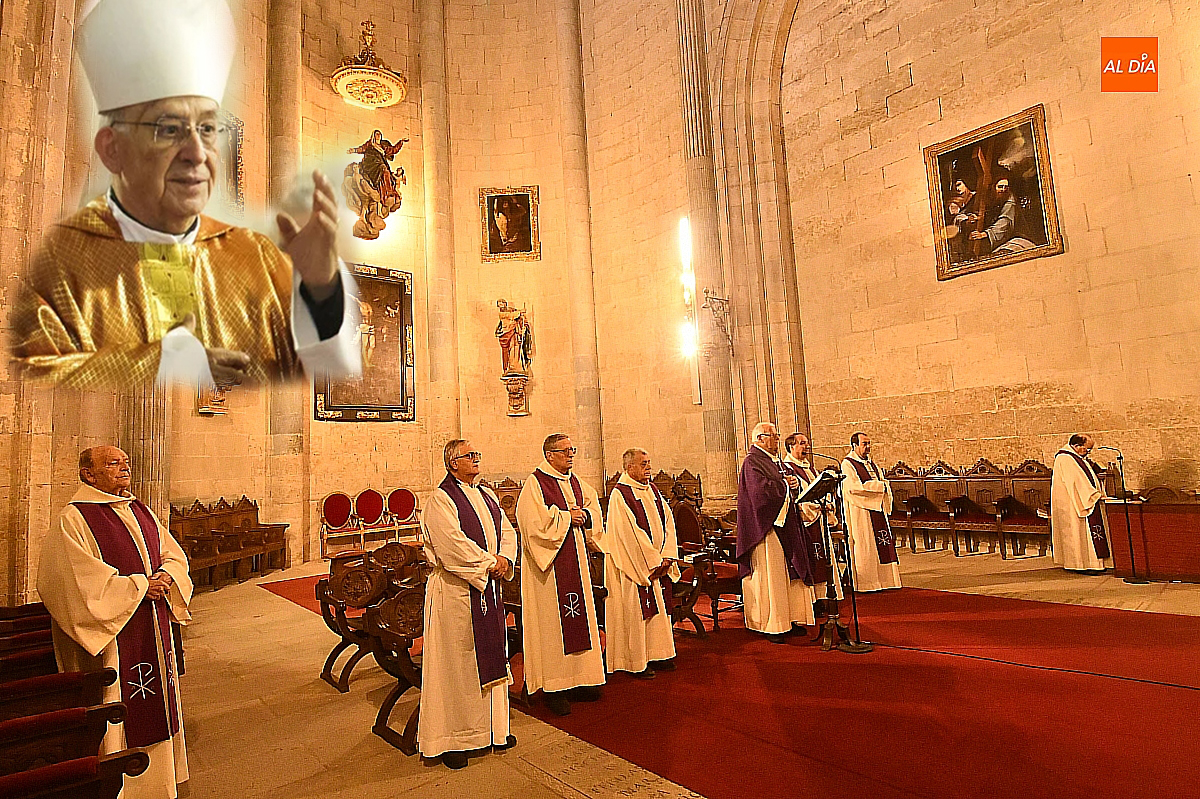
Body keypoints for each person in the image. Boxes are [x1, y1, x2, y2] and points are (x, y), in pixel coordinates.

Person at [10, 0, 360, 388]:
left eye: (207, 129)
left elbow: (323, 369)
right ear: (113, 149)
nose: (197, 154)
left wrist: (320, 286)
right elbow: (33, 364)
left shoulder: (250, 251)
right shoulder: (67, 261)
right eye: (169, 129)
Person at [37, 446, 193, 799]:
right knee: (121, 704)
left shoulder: (138, 509)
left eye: (125, 462)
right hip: (114, 637)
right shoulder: (73, 519)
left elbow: (171, 553)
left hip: (152, 626)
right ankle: (123, 785)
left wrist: (167, 576)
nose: (124, 468)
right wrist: (141, 587)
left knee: (157, 703)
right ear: (88, 475)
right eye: (112, 463)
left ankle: (161, 780)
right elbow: (73, 582)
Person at [418, 440, 518, 769]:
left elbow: (507, 529)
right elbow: (451, 546)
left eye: (477, 454)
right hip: (456, 592)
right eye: (468, 456)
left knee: (489, 656)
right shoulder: (440, 501)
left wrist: (505, 557)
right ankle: (453, 739)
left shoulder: (487, 496)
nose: (476, 459)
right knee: (456, 667)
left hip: (487, 589)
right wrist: (490, 564)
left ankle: (493, 730)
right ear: (452, 464)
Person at [515, 433, 605, 716]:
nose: (571, 455)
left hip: (575, 562)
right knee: (553, 627)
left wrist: (585, 517)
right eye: (566, 451)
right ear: (549, 454)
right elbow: (531, 525)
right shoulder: (535, 484)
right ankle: (555, 687)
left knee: (580, 621)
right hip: (551, 571)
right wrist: (568, 517)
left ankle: (581, 680)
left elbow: (593, 510)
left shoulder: (575, 482)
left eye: (572, 450)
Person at [602, 448, 680, 678]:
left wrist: (667, 556)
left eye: (649, 463)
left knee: (658, 613)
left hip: (657, 563)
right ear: (629, 468)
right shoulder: (620, 495)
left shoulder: (652, 489)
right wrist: (653, 562)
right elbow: (628, 535)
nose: (649, 468)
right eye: (644, 464)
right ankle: (636, 661)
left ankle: (658, 653)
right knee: (637, 613)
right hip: (633, 568)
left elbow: (668, 523)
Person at [735, 422, 815, 643]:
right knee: (772, 577)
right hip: (766, 528)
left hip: (784, 523)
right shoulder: (752, 462)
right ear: (760, 438)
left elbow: (785, 485)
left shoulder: (773, 461)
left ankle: (790, 619)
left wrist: (792, 484)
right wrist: (785, 484)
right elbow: (760, 494)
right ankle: (773, 624)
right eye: (774, 436)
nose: (778, 440)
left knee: (789, 573)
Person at [780, 432, 844, 619]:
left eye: (807, 443)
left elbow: (820, 489)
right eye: (801, 443)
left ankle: (824, 596)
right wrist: (815, 506)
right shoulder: (787, 469)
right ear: (791, 447)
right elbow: (796, 498)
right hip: (805, 523)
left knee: (823, 559)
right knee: (812, 558)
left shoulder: (811, 469)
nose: (806, 447)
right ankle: (813, 600)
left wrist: (827, 502)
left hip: (819, 520)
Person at [841, 432, 902, 592]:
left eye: (869, 444)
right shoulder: (848, 464)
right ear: (854, 445)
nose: (868, 447)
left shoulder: (871, 463)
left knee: (881, 543)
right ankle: (867, 583)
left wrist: (881, 486)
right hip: (861, 512)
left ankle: (886, 581)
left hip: (877, 509)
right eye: (864, 444)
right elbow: (853, 487)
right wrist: (879, 487)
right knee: (865, 545)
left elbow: (881, 481)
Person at [1051, 434, 1113, 573]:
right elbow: (1075, 483)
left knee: (1087, 534)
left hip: (1079, 500)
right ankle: (1083, 564)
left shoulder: (1076, 458)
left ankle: (1093, 563)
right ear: (1076, 446)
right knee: (1081, 534)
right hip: (1075, 504)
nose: (1088, 452)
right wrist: (1093, 495)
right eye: (1087, 449)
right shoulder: (1065, 459)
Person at [967, 176, 1036, 255]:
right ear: (994, 187)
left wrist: (984, 234)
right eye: (1000, 187)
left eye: (1006, 187)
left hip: (1013, 237)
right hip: (997, 238)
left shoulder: (1010, 202)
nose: (1003, 190)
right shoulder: (991, 197)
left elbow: (1004, 223)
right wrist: (976, 217)